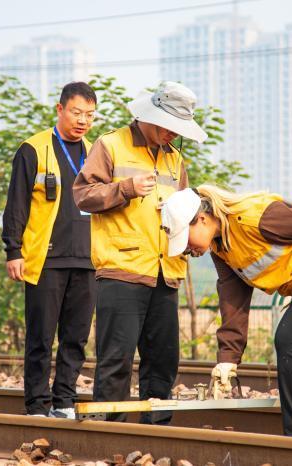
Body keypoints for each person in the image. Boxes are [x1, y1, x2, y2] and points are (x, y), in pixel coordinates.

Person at [161, 185, 292, 439]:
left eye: (185, 241)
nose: (187, 251)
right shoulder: (222, 248)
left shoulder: (255, 218)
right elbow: (233, 301)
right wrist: (227, 358)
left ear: (202, 219)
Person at [73, 81, 207, 424]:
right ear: (152, 118)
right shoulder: (111, 146)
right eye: (170, 128)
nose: (174, 136)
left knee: (162, 362)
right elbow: (83, 195)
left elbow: (181, 209)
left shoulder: (175, 158)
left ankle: (156, 434)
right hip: (123, 269)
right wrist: (125, 188)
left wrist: (191, 238)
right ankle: (113, 435)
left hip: (167, 271)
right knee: (116, 359)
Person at [2, 82, 97, 418]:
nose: (83, 120)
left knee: (76, 338)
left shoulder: (95, 152)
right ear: (60, 110)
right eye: (76, 112)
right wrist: (14, 250)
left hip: (88, 259)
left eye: (89, 114)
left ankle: (65, 401)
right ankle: (37, 404)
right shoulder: (33, 149)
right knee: (41, 337)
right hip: (45, 258)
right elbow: (16, 204)